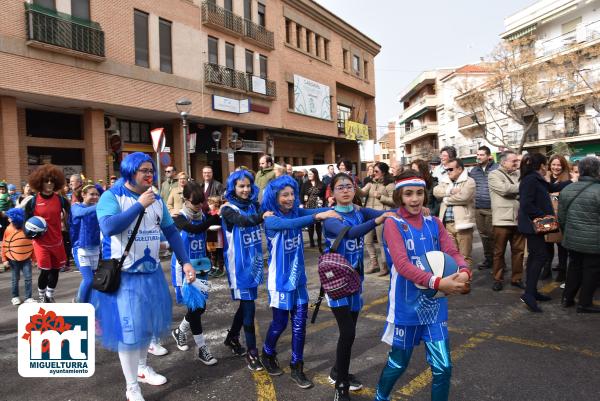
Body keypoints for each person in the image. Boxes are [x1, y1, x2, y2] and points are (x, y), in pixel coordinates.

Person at [92, 152, 195, 401]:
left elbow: (171, 232)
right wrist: (140, 204)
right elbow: (109, 227)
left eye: (151, 170)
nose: (150, 175)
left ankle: (141, 369)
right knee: (129, 333)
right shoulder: (111, 196)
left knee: (146, 328)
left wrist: (186, 262)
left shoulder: (157, 200)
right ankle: (132, 387)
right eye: (144, 171)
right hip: (124, 276)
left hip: (151, 274)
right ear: (130, 172)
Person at [373, 170, 471, 401]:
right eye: (408, 194)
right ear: (399, 196)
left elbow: (451, 251)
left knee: (443, 367)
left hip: (434, 306)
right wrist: (439, 282)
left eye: (419, 193)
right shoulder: (393, 224)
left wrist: (464, 271)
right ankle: (380, 397)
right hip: (406, 306)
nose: (415, 199)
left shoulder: (434, 222)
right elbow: (403, 265)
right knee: (398, 363)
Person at [260, 175, 340, 388]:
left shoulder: (296, 211)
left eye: (292, 194)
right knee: (279, 324)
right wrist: (320, 216)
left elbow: (311, 212)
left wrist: (336, 209)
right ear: (274, 197)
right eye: (284, 195)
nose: (289, 198)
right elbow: (294, 222)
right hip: (279, 282)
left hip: (299, 280)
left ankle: (297, 366)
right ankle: (267, 353)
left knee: (299, 325)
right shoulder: (270, 219)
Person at [322, 172, 396, 401]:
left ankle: (337, 371)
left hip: (355, 281)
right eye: (340, 187)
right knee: (348, 331)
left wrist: (411, 210)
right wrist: (376, 221)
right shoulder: (331, 217)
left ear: (355, 189)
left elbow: (387, 212)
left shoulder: (359, 211)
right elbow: (352, 233)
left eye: (349, 186)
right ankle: (340, 387)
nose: (345, 190)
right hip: (336, 283)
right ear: (333, 192)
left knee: (349, 333)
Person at [220, 169, 272, 370]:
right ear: (233, 187)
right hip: (239, 269)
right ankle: (252, 353)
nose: (245, 189)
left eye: (248, 185)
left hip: (254, 266)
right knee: (249, 309)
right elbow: (243, 221)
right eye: (241, 186)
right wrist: (261, 217)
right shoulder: (228, 209)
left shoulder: (253, 205)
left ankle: (232, 337)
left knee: (246, 305)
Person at [170, 181, 221, 363]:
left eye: (202, 202)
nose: (199, 205)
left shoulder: (203, 215)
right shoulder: (179, 217)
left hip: (201, 267)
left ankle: (180, 331)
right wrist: (212, 219)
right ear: (185, 200)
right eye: (195, 202)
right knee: (196, 308)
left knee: (200, 308)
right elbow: (193, 229)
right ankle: (202, 348)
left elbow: (212, 225)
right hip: (185, 269)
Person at [517, 153, 571, 313]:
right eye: (546, 163)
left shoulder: (537, 178)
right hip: (532, 226)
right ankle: (528, 294)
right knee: (539, 256)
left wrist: (572, 182)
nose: (547, 166)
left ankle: (532, 291)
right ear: (541, 165)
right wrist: (543, 217)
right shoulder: (530, 180)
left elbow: (553, 187)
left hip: (534, 226)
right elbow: (526, 204)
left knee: (536, 256)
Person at [558, 156, 600, 313]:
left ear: (580, 171)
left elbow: (561, 218)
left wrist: (569, 231)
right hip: (594, 241)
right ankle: (584, 303)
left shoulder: (567, 189)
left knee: (574, 267)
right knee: (591, 270)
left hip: (572, 238)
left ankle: (566, 299)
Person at [25, 164, 70, 303]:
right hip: (41, 243)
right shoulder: (32, 201)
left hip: (57, 241)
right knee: (45, 271)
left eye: (52, 181)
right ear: (40, 182)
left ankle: (49, 296)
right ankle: (41, 297)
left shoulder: (61, 200)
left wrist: (66, 224)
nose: (49, 183)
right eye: (46, 181)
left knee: (56, 270)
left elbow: (71, 217)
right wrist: (30, 234)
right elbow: (26, 224)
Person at [488, 151, 525, 291]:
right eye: (513, 161)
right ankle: (498, 279)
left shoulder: (518, 174)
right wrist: (522, 186)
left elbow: (515, 190)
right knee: (499, 252)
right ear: (503, 162)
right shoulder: (494, 175)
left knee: (519, 251)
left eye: (517, 161)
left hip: (518, 219)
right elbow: (504, 190)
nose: (516, 163)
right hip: (502, 220)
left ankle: (517, 278)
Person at [433, 158, 476, 268]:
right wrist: (450, 191)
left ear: (460, 169)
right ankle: (456, 282)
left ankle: (465, 284)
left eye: (451, 169)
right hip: (447, 225)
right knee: (452, 256)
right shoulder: (445, 180)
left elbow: (464, 197)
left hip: (463, 224)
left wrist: (446, 199)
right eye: (447, 169)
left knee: (465, 256)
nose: (448, 172)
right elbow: (436, 191)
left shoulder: (469, 181)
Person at [356, 162, 396, 276]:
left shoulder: (390, 184)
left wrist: (381, 197)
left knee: (382, 242)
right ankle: (374, 264)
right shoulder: (371, 183)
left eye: (376, 171)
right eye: (373, 171)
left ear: (383, 172)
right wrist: (354, 186)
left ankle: (385, 266)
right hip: (368, 216)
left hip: (382, 215)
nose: (374, 173)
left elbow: (394, 201)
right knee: (367, 241)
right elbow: (362, 193)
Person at [468, 146, 499, 270]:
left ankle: (498, 261)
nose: (479, 157)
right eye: (478, 155)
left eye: (481, 155)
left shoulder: (496, 168)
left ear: (488, 156)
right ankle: (488, 259)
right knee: (483, 235)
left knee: (493, 235)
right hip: (478, 207)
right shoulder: (474, 171)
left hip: (492, 207)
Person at [70, 184, 101, 303]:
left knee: (93, 281)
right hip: (80, 248)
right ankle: (79, 302)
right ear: (83, 195)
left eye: (97, 195)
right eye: (92, 194)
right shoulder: (76, 207)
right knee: (88, 280)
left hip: (95, 247)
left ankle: (87, 304)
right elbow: (80, 213)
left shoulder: (97, 208)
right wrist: (100, 206)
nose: (95, 197)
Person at [543, 154, 570, 282]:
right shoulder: (544, 178)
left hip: (562, 218)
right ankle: (547, 269)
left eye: (559, 165)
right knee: (547, 245)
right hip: (546, 217)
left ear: (563, 166)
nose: (556, 167)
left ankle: (562, 270)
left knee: (562, 247)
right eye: (553, 164)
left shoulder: (568, 180)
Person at [2, 208, 35, 304]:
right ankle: (15, 296)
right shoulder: (8, 229)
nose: (8, 219)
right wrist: (4, 259)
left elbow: (31, 244)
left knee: (28, 278)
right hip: (13, 259)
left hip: (26, 258)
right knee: (15, 279)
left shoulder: (26, 229)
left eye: (10, 218)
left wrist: (33, 258)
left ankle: (28, 297)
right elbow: (4, 244)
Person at [300, 168, 326, 251]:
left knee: (318, 224)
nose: (309, 176)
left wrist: (323, 203)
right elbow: (301, 194)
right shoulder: (305, 184)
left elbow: (324, 195)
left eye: (311, 174)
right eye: (309, 174)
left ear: (315, 174)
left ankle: (319, 240)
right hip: (309, 206)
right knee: (310, 223)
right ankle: (311, 241)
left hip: (318, 206)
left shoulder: (321, 184)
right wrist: (302, 204)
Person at [206, 196, 225, 278]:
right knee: (212, 252)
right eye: (208, 204)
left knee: (219, 252)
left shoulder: (219, 214)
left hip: (218, 235)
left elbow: (221, 224)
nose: (209, 205)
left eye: (210, 204)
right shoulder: (209, 213)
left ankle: (221, 269)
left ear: (216, 204)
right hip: (211, 234)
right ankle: (214, 267)